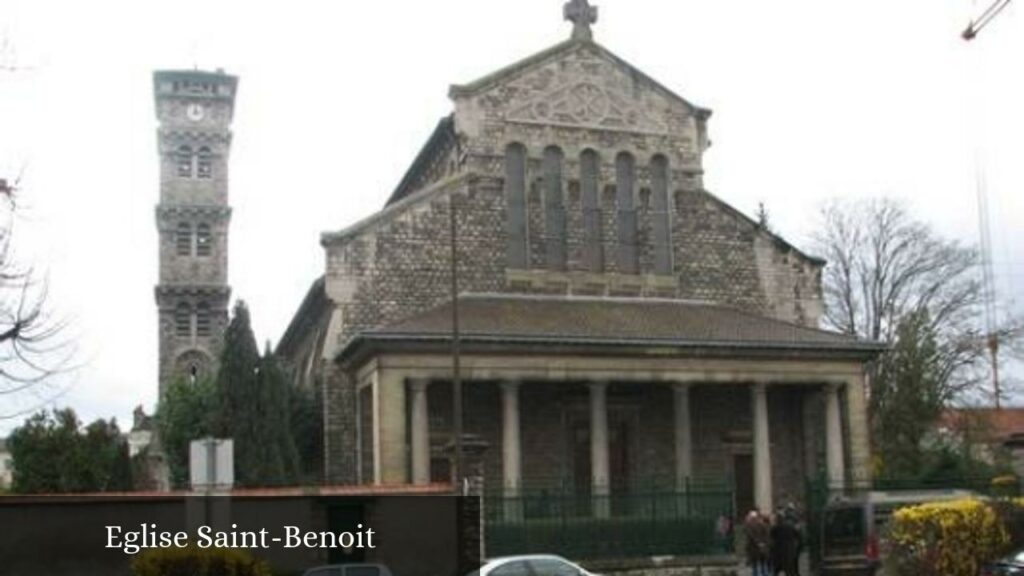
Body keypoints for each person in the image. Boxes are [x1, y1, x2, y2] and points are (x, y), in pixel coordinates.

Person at [770, 508, 802, 576]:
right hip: (789, 550)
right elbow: (797, 535)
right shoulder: (790, 526)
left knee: (777, 569)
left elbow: (771, 537)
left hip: (778, 551)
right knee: (789, 569)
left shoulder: (775, 528)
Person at [744, 510, 772, 576]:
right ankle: (763, 573)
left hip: (753, 547)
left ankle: (758, 573)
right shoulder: (762, 525)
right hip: (761, 547)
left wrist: (758, 543)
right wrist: (763, 543)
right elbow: (766, 534)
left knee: (755, 564)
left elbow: (750, 535)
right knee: (762, 562)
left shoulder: (749, 525)